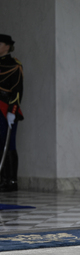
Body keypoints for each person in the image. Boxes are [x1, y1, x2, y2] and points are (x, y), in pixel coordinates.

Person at [0, 34, 23, 192]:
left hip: (5, 109)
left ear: (7, 46)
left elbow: (17, 90)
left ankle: (11, 180)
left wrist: (12, 111)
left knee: (8, 144)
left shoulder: (14, 65)